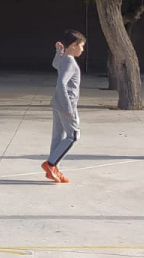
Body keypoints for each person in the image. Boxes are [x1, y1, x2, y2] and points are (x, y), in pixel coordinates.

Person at [42, 29, 85, 183]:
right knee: (73, 136)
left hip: (57, 103)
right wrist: (68, 108)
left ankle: (54, 169)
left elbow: (55, 65)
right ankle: (51, 164)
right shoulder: (70, 62)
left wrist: (58, 51)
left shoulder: (64, 59)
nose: (82, 49)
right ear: (73, 45)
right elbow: (61, 83)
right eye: (81, 46)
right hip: (66, 105)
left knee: (58, 135)